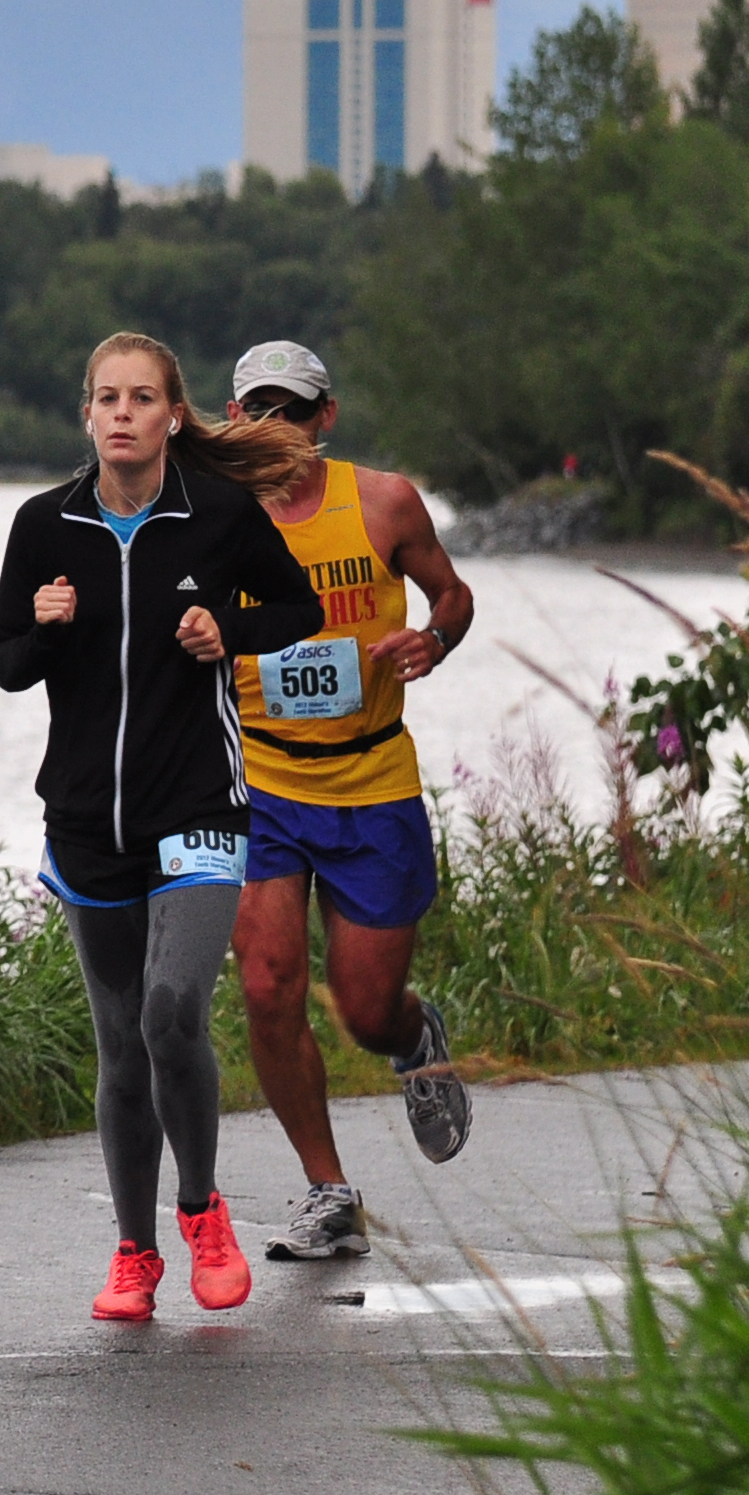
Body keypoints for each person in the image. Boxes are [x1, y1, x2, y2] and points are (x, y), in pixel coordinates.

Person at [0, 333, 321, 1324]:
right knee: (121, 1043)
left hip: (198, 805)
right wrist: (41, 627)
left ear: (174, 413)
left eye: (142, 397)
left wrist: (230, 628)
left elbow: (295, 606)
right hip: (87, 820)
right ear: (85, 414)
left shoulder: (216, 513)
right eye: (106, 397)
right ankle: (133, 1252)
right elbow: (4, 665)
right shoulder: (43, 522)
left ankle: (200, 1208)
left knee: (173, 1006)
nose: (122, 412)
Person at [215, 342, 479, 1266]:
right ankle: (330, 1192)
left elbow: (452, 592)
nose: (271, 428)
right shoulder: (216, 515)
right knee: (266, 983)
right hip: (265, 780)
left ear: (324, 419)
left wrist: (431, 639)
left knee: (365, 1008)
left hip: (371, 778)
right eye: (255, 410)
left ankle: (412, 1037)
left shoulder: (382, 502)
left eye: (290, 411)